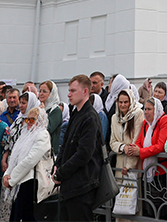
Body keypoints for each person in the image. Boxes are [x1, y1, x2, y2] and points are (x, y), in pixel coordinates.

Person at [54, 74, 104, 222]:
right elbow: (66, 144)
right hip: (69, 184)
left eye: (73, 90)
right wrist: (57, 166)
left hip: (82, 186)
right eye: (69, 90)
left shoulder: (90, 117)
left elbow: (84, 154)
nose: (69, 94)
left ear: (85, 91)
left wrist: (61, 173)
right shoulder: (75, 113)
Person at [1, 106, 50, 222]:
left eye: (32, 120)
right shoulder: (25, 134)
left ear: (39, 121)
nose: (28, 122)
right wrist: (7, 175)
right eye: (27, 119)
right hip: (19, 182)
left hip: (30, 183)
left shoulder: (42, 134)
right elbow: (14, 157)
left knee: (26, 216)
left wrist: (11, 179)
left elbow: (30, 160)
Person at [109, 87, 144, 175]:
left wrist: (129, 166)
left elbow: (136, 140)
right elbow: (112, 142)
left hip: (133, 166)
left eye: (126, 102)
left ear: (131, 102)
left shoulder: (138, 114)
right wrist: (123, 147)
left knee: (134, 188)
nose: (123, 105)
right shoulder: (114, 118)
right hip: (119, 165)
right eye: (120, 102)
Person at [38, 80, 64, 156]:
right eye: (40, 91)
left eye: (44, 91)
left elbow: (47, 129)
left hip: (49, 153)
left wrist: (42, 113)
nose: (41, 94)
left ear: (52, 93)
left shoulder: (56, 110)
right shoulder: (40, 108)